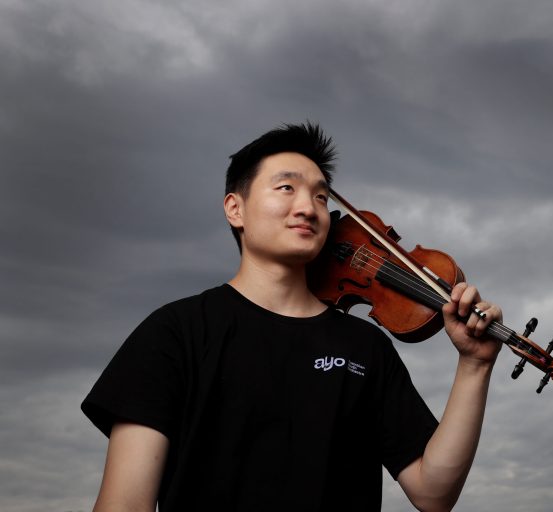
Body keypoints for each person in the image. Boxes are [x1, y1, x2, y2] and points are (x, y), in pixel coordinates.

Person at [82, 122, 503, 511]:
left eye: (321, 196)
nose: (309, 207)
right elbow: (125, 505)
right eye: (286, 188)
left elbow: (434, 493)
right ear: (235, 209)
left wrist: (474, 366)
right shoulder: (175, 333)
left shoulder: (365, 346)